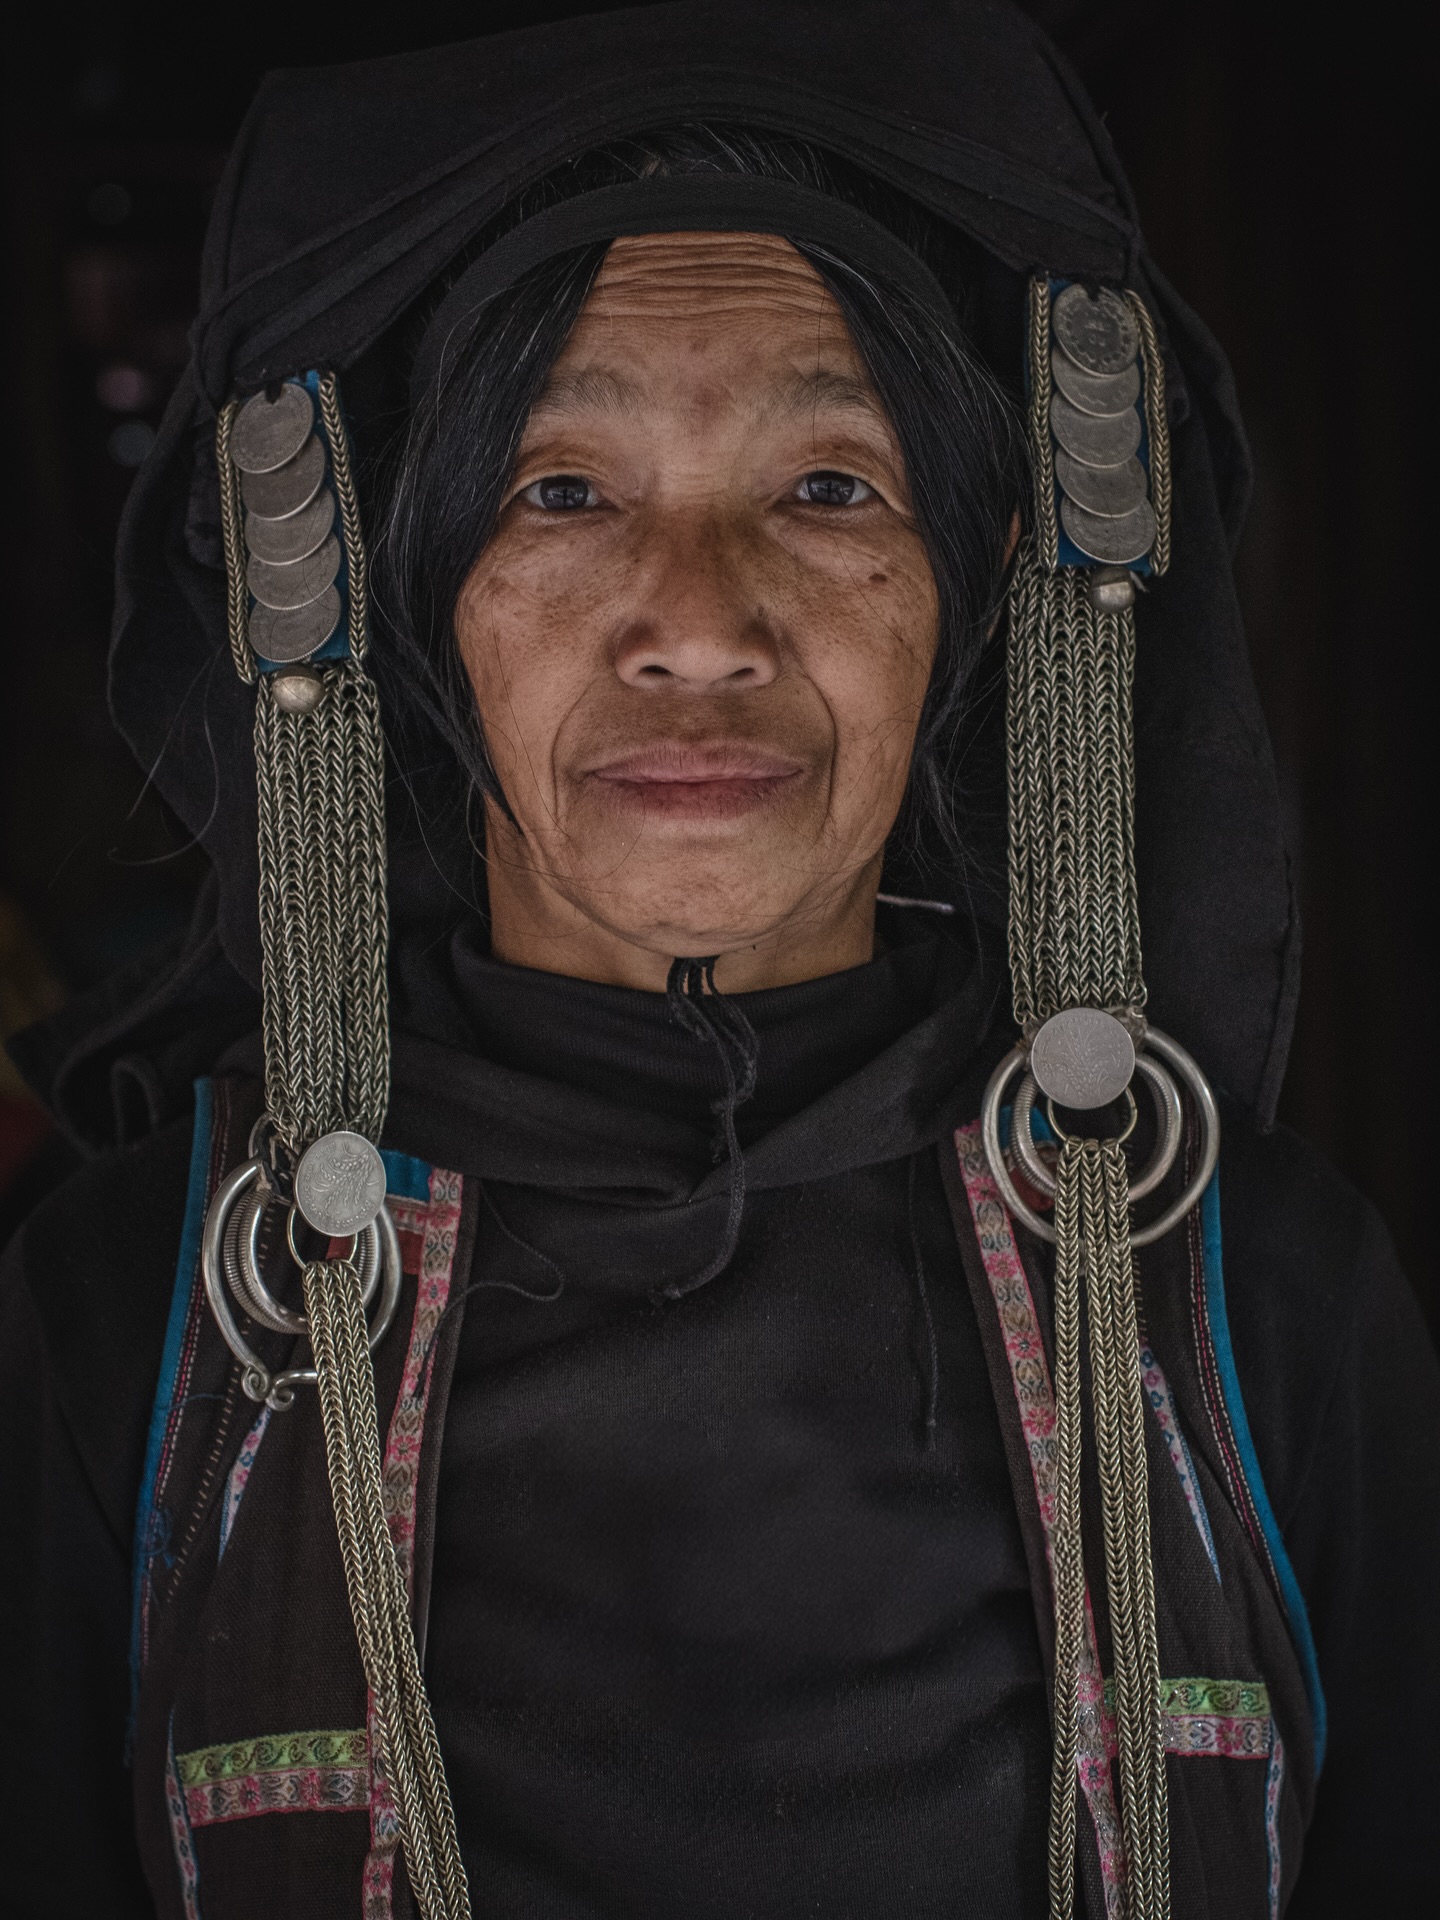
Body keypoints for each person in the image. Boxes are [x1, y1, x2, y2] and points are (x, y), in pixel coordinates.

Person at [2, 5, 1436, 1918]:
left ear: (984, 575)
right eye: (563, 491)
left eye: (830, 487)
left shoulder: (1265, 1305)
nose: (696, 623)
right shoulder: (136, 1326)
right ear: (408, 608)